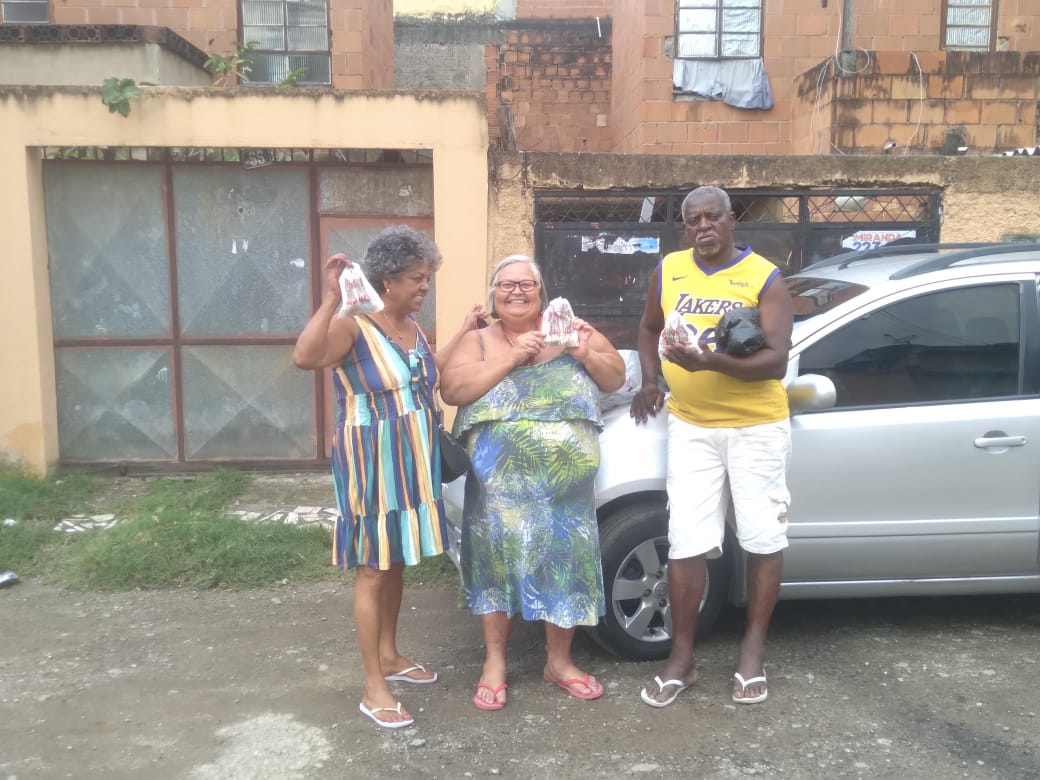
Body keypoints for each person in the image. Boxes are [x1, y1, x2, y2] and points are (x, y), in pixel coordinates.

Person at [292, 226, 486, 729]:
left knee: (396, 559)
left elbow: (428, 377)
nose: (425, 287)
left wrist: (464, 329)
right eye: (417, 279)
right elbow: (305, 356)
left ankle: (391, 657)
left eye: (428, 278)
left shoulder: (413, 328)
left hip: (413, 459)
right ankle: (372, 686)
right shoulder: (354, 325)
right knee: (373, 568)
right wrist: (332, 298)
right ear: (387, 279)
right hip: (371, 462)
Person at [630, 186, 794, 708]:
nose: (704, 226)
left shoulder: (764, 276)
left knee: (761, 537)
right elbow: (648, 327)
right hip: (691, 426)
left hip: (757, 426)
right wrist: (651, 381)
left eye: (713, 217)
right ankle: (682, 658)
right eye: (693, 219)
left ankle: (751, 653)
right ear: (684, 227)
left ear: (731, 219)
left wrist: (710, 363)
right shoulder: (670, 269)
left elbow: (775, 362)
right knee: (685, 540)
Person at [440, 254, 625, 711]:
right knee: (494, 567)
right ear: (493, 294)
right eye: (507, 285)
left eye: (527, 284)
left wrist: (582, 351)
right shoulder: (480, 340)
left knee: (564, 564)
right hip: (499, 494)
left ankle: (558, 662)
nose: (517, 291)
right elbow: (453, 389)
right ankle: (495, 663)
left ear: (541, 292)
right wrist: (512, 356)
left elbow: (615, 375)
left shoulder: (570, 329)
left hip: (565, 492)